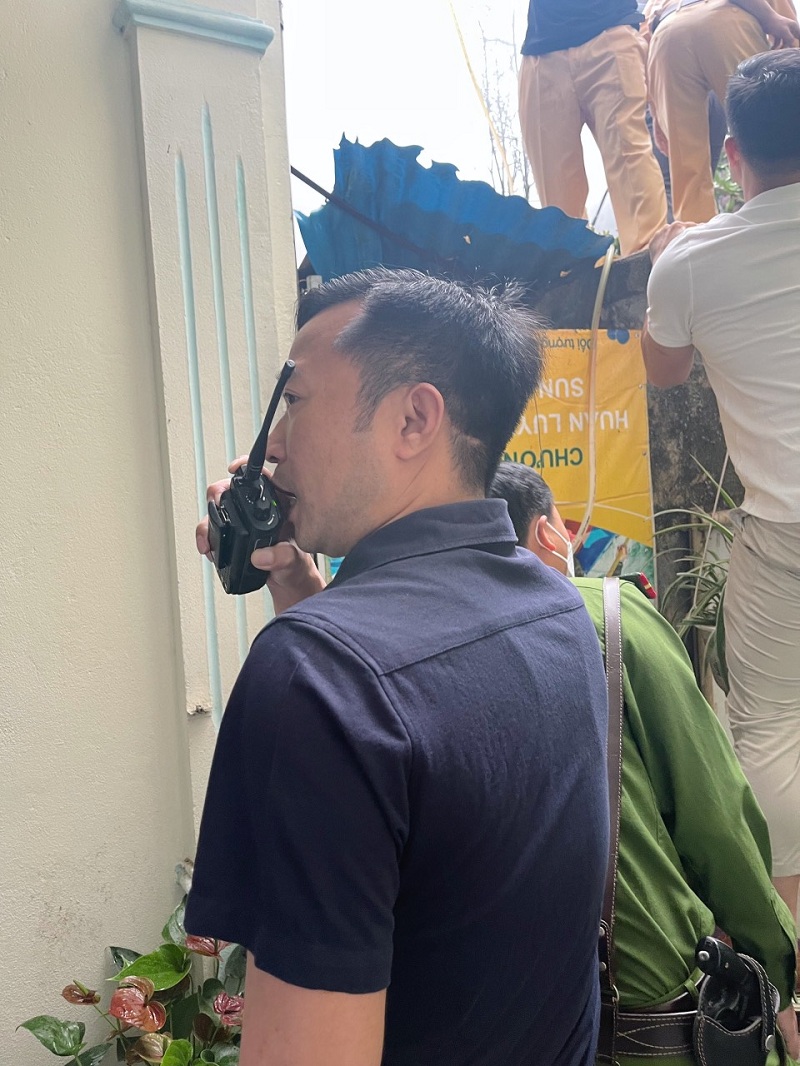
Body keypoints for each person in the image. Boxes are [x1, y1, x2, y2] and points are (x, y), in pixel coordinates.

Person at [185, 269, 610, 1066]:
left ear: (414, 418)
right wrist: (300, 592)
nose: (271, 443)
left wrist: (314, 633)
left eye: (294, 401)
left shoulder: (318, 677)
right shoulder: (559, 613)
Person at [489, 462, 799, 1064]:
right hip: (642, 1017)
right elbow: (715, 817)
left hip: (501, 1021)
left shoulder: (419, 648)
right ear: (548, 533)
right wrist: (774, 969)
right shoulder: (609, 617)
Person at [643, 48, 800, 940]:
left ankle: (787, 950)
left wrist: (676, 253)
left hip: (782, 530)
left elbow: (664, 370)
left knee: (768, 730)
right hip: (776, 531)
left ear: (732, 154)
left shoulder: (693, 263)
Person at [518, 0, 668, 257]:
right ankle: (575, 275)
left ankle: (651, 270)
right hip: (542, 52)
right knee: (557, 209)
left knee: (633, 174)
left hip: (611, 33)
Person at [645, 0, 800, 223]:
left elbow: (646, 38)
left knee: (688, 172)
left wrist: (657, 114)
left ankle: (696, 234)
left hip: (667, 36)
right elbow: (791, 49)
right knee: (775, 134)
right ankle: (784, 224)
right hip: (724, 19)